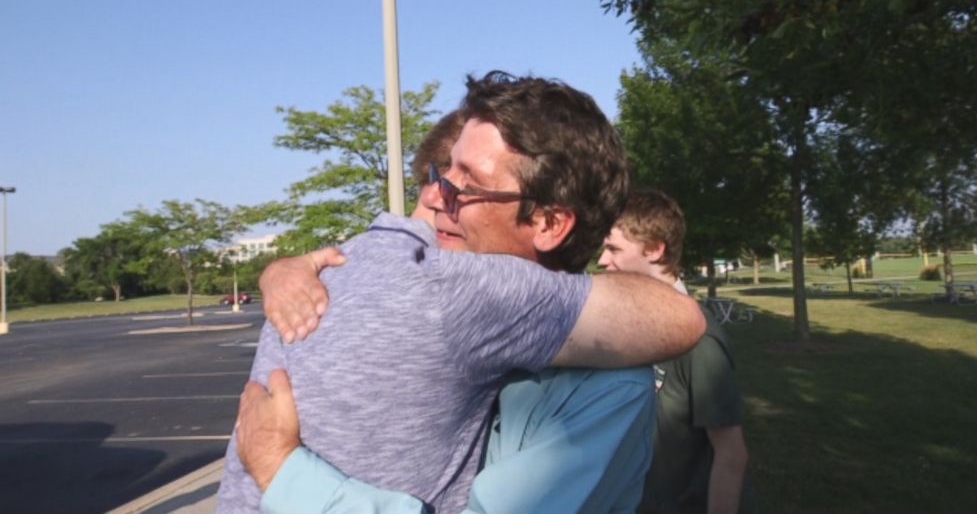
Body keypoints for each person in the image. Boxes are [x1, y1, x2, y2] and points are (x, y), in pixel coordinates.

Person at [219, 72, 705, 513]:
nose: (435, 198)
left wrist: (281, 470)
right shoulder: (449, 285)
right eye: (442, 174)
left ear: (549, 222)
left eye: (465, 185)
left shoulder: (600, 383)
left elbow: (684, 320)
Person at [598, 190, 751, 514]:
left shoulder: (700, 342)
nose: (602, 260)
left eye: (613, 248)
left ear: (654, 249)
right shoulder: (632, 322)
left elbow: (731, 454)